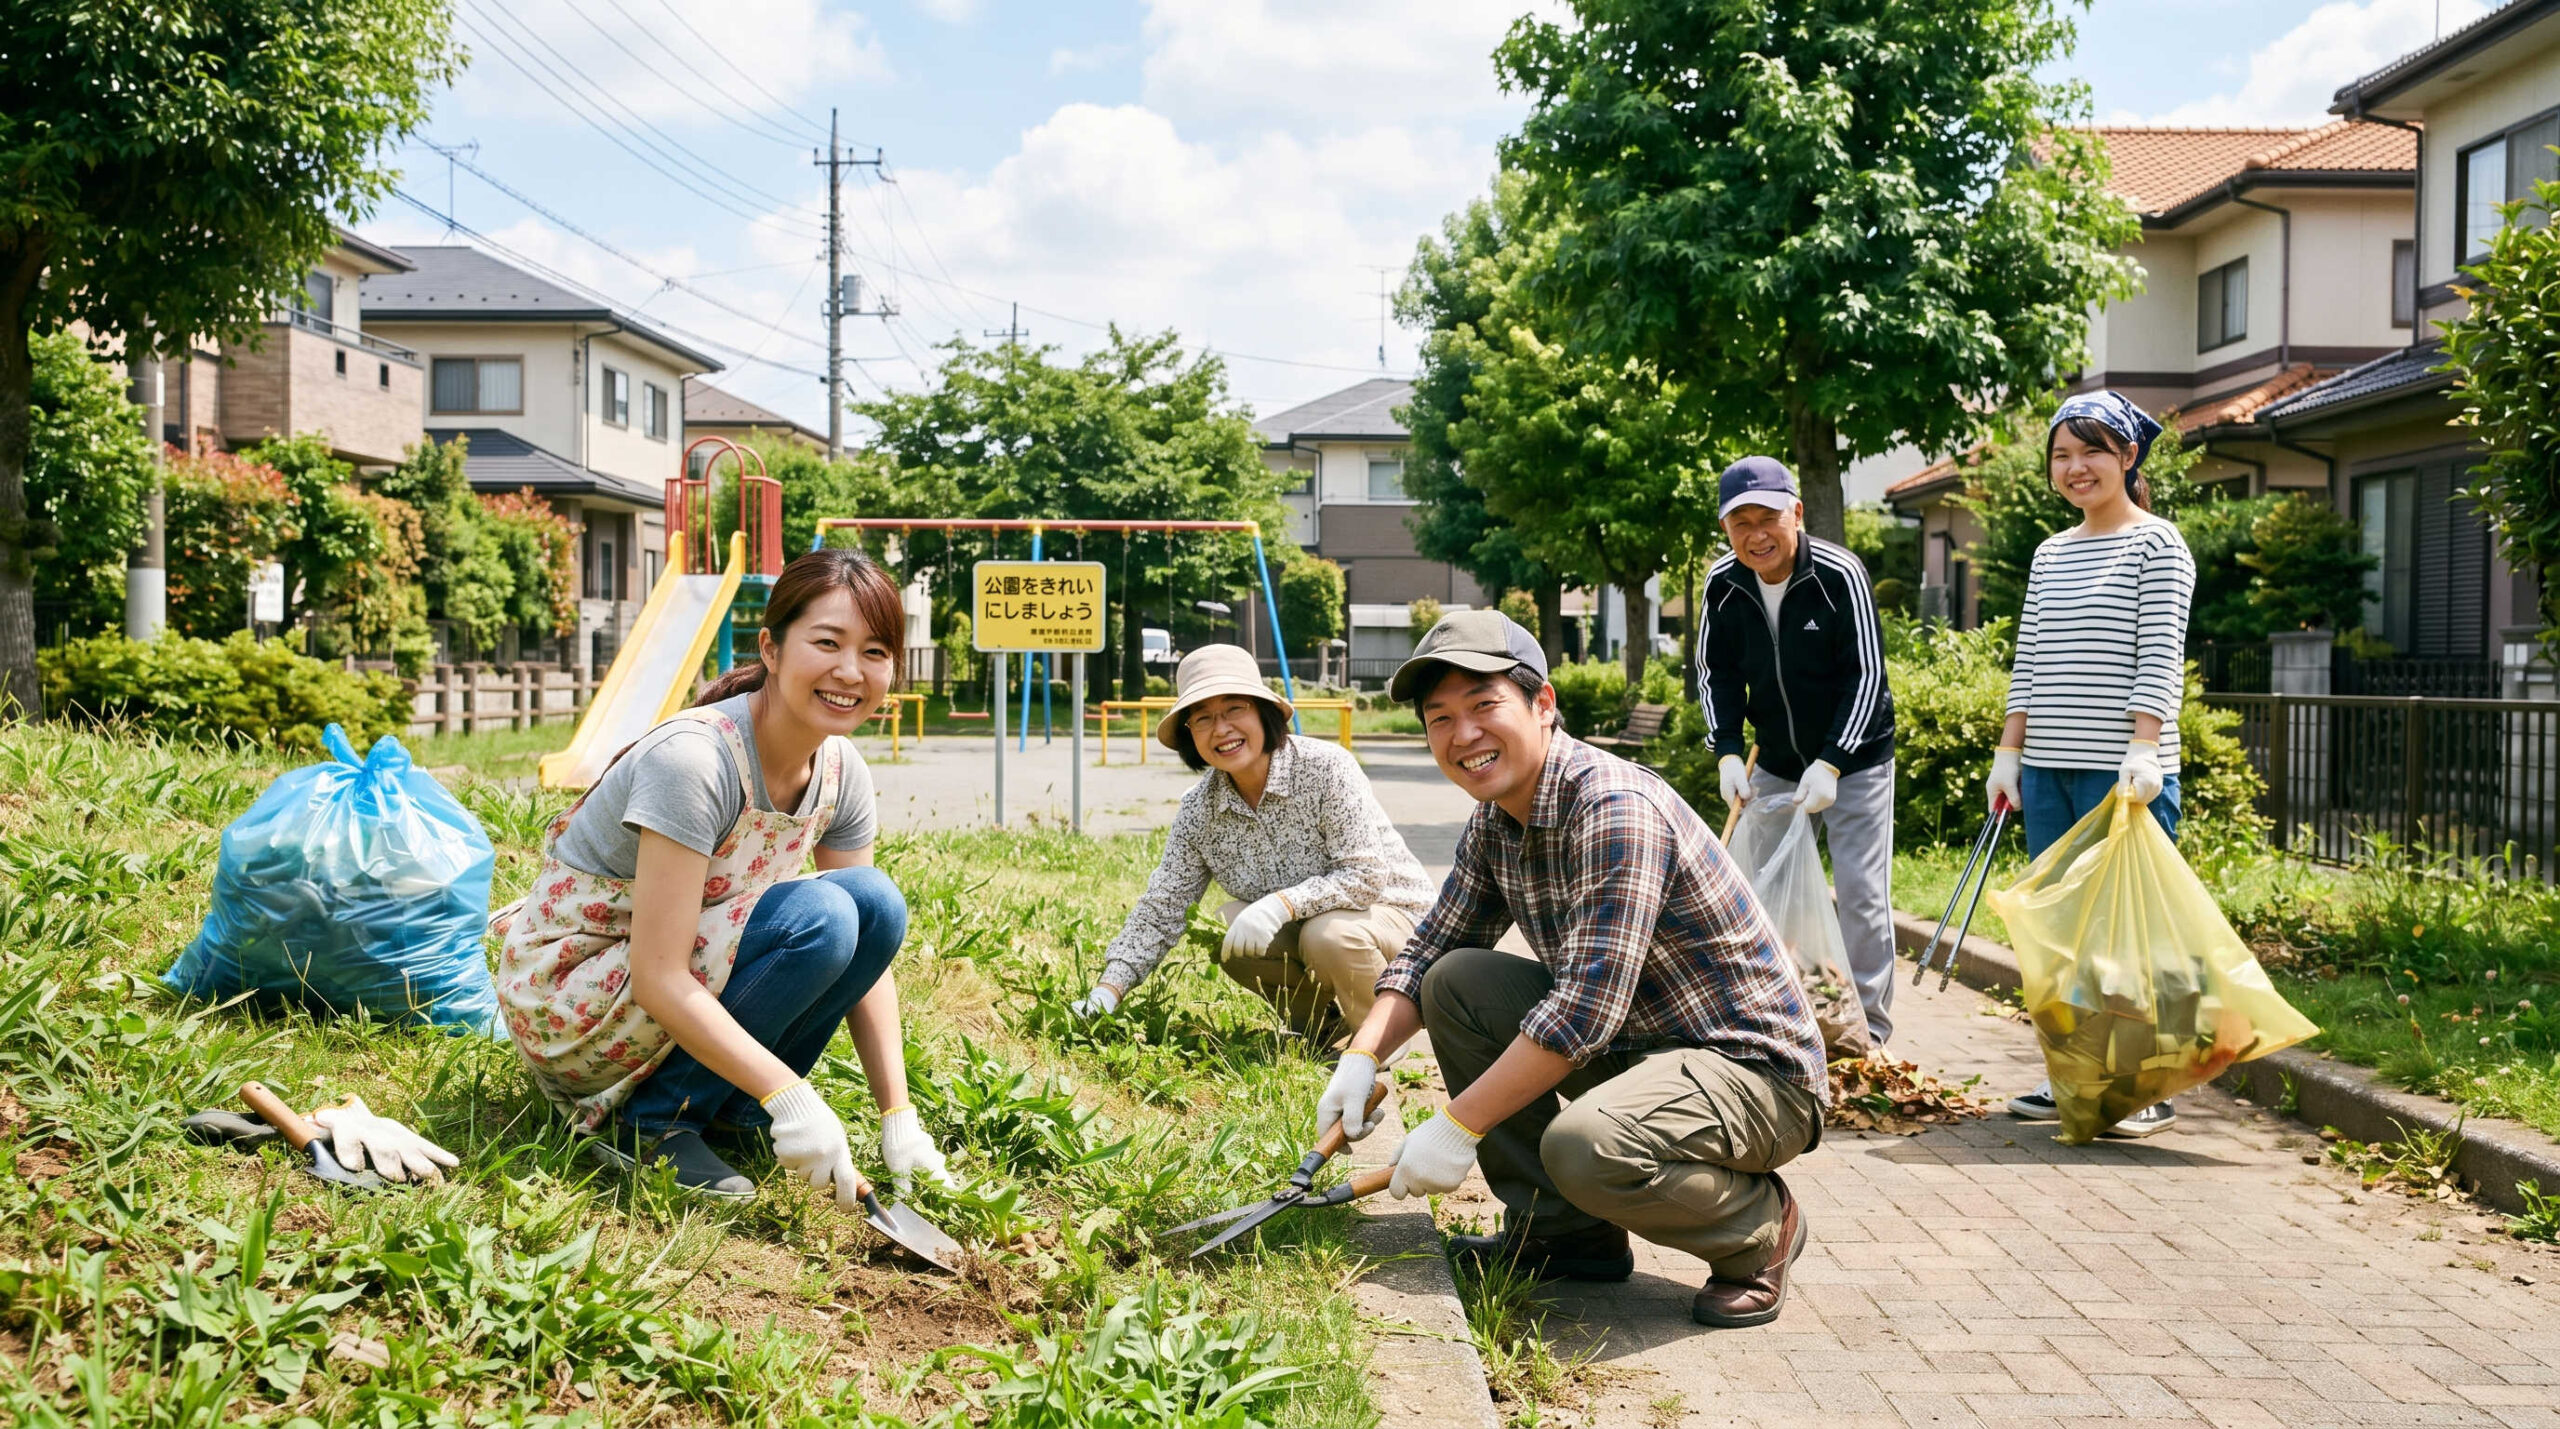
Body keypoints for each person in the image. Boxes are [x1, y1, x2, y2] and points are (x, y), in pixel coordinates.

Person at [1317, 610, 1830, 1329]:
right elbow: (1431, 946)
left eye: (1484, 705)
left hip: (1751, 1072)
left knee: (1586, 1146)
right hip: (1639, 1048)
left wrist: (1455, 1127)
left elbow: (1584, 1010)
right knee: (1455, 983)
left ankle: (1758, 1230)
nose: (1464, 734)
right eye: (1441, 719)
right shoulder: (1498, 819)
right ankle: (1565, 1236)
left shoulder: (1613, 806)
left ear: (1543, 705)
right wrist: (1362, 1057)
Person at [499, 548, 955, 1204]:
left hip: (666, 987)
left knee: (874, 903)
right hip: (576, 1002)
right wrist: (792, 1092)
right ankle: (651, 1125)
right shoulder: (695, 760)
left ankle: (734, 1113)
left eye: (875, 651)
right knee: (820, 920)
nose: (850, 671)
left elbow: (870, 952)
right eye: (827, 642)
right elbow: (658, 976)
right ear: (771, 648)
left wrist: (898, 1117)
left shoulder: (840, 770)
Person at [1986, 391, 2197, 1138]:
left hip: (2125, 775)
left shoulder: (2158, 544)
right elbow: (2030, 660)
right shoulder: (2051, 552)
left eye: (2092, 452)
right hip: (2048, 770)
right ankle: (2071, 1077)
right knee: (2063, 933)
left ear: (2128, 456)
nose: (2076, 468)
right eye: (2062, 455)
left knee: (2127, 933)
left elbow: (2159, 654)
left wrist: (2145, 746)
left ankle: (2143, 1088)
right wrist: (2009, 752)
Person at [1074, 644, 1434, 1043]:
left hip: (1395, 924)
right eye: (1203, 718)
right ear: (1190, 734)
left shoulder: (1325, 767)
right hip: (1310, 931)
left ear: (1264, 712)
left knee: (1326, 934)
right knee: (1224, 928)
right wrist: (1109, 990)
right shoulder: (1200, 809)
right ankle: (1323, 1028)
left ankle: (1380, 1040)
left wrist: (1282, 905)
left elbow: (1364, 876)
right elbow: (1164, 905)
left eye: (1235, 709)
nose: (1221, 729)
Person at [1699, 456, 1898, 1050]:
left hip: (1856, 762)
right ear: (1726, 528)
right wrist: (1727, 752)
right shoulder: (1723, 584)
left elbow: (1867, 676)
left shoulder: (1840, 574)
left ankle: (1867, 1033)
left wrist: (1833, 761)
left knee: (1861, 896)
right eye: (1741, 523)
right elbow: (1716, 674)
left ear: (1798, 513)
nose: (1756, 535)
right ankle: (1775, 1017)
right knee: (1756, 891)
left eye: (1768, 518)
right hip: (1776, 763)